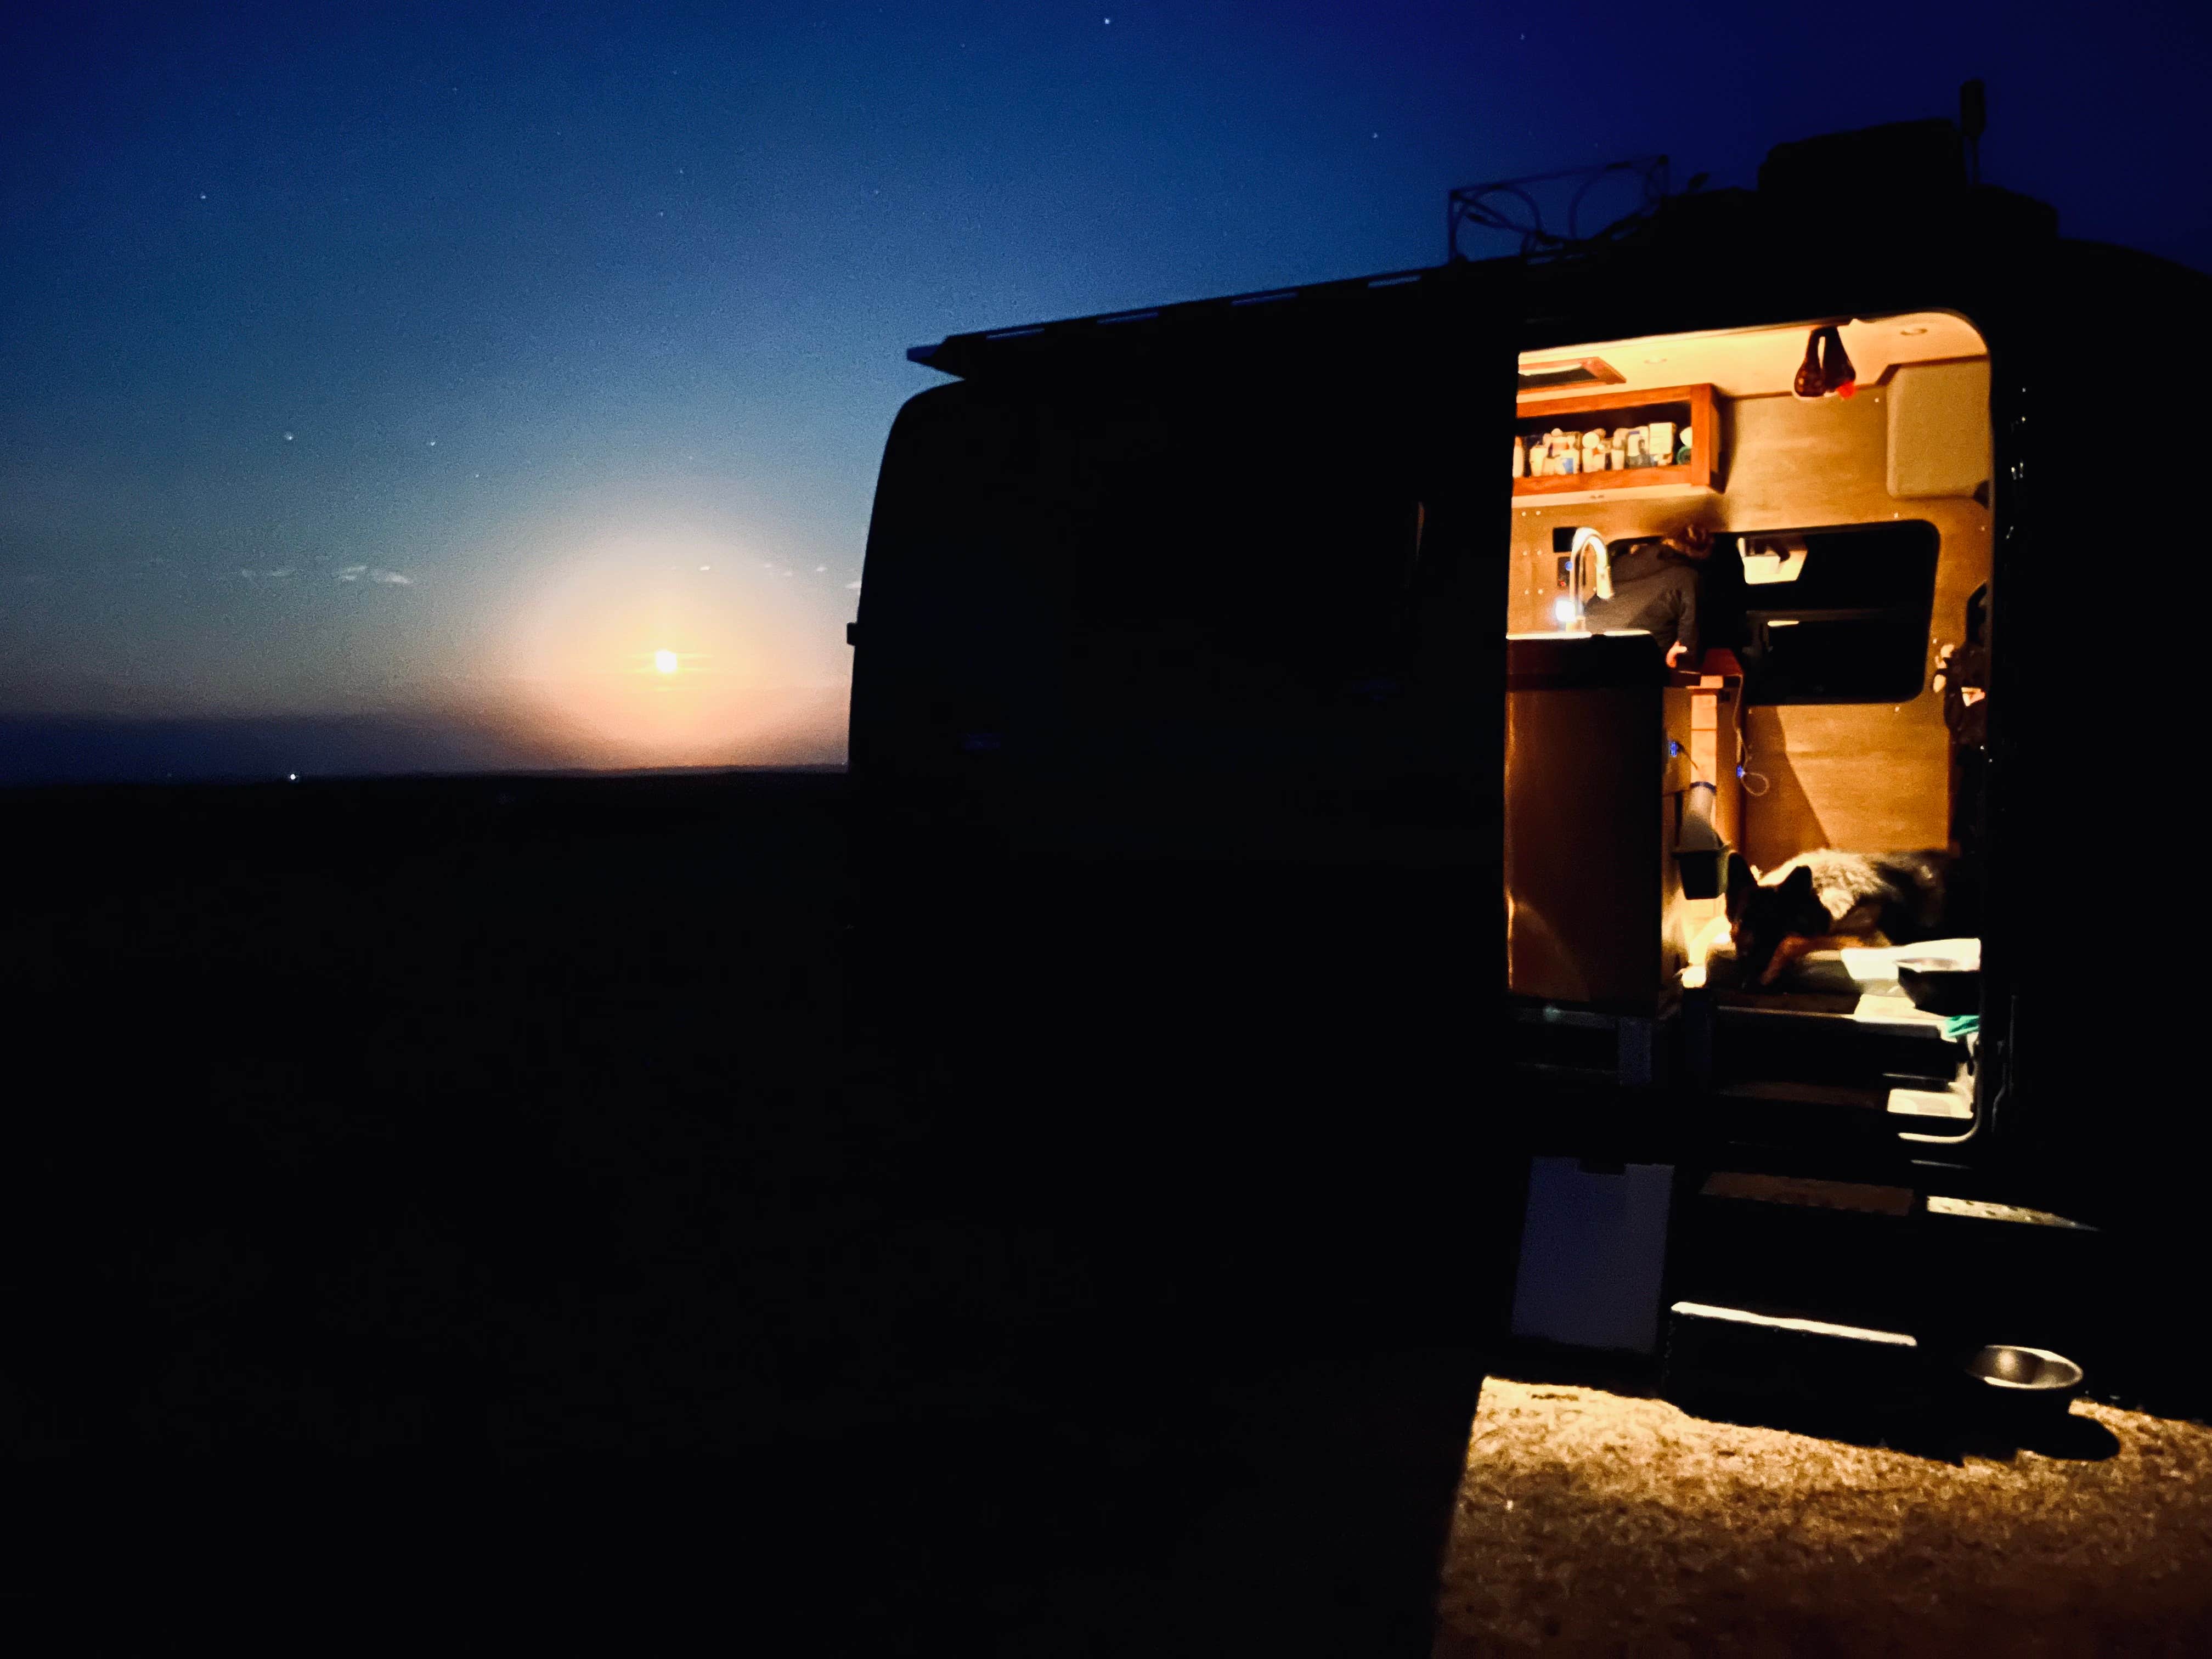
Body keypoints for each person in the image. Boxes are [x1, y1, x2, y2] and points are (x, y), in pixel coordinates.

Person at [1582, 522, 1712, 668]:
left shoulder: (1620, 562)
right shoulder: (1687, 578)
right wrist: (1679, 661)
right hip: (1641, 662)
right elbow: (1688, 647)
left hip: (1590, 653)